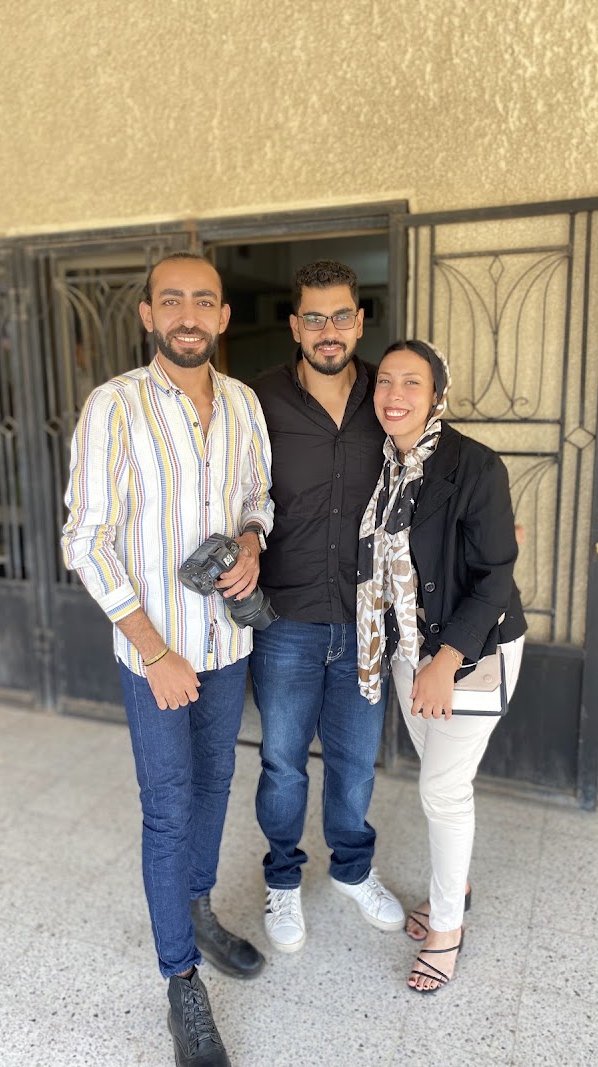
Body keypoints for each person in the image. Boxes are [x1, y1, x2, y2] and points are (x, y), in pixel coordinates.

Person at [61, 252, 273, 1067]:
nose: (189, 314)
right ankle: (181, 978)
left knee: (216, 783)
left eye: (204, 301)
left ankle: (198, 909)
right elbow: (86, 538)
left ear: (223, 315)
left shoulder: (244, 403)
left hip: (228, 642)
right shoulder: (113, 406)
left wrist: (251, 540)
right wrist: (154, 649)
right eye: (172, 300)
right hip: (157, 654)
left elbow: (259, 497)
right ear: (149, 314)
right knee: (168, 806)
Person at [357, 339, 526, 993]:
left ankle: (448, 926)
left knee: (442, 791)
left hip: (470, 649)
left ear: (436, 397)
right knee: (442, 779)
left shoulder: (474, 465)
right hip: (408, 648)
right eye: (385, 381)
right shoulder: (381, 465)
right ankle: (456, 884)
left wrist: (447, 659)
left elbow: (495, 575)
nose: (395, 395)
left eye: (412, 383)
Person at [249, 260, 404, 953]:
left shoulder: (387, 396)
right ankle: (283, 878)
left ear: (360, 321)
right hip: (287, 619)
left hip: (367, 618)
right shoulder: (259, 400)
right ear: (295, 326)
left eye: (341, 315)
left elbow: (433, 469)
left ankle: (352, 869)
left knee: (355, 761)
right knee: (283, 761)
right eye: (314, 317)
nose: (328, 330)